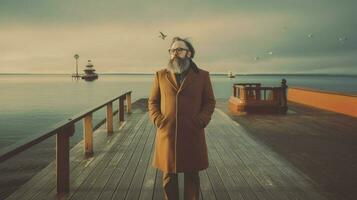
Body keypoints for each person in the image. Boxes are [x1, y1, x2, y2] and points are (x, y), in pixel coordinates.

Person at [148, 37, 216, 200]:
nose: (175, 54)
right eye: (172, 50)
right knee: (169, 176)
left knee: (192, 176)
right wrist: (158, 120)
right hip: (167, 133)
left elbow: (209, 102)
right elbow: (153, 101)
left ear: (189, 53)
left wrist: (201, 120)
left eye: (179, 50)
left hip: (192, 131)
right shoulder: (160, 75)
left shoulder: (202, 76)